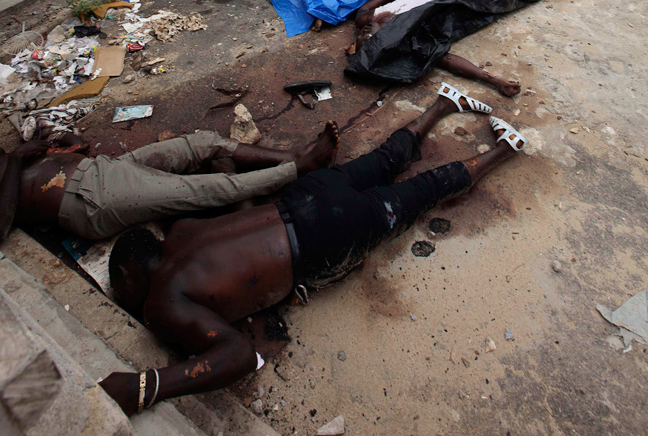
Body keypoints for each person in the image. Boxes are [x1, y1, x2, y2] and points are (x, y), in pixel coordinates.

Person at [101, 91, 529, 416]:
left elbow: (238, 356)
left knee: (422, 192)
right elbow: (239, 218)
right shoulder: (182, 233)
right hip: (307, 194)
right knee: (383, 160)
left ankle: (505, 149)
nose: (119, 294)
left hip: (325, 234)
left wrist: (146, 387)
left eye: (117, 285)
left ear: (129, 274)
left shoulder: (161, 302)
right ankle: (442, 104)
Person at [0, 127, 338, 244]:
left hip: (102, 169)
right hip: (90, 200)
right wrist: (16, 160)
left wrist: (66, 144)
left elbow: (75, 148)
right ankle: (298, 169)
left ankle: (289, 157)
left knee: (203, 143)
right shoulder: (10, 161)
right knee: (203, 188)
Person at [352, 0, 571, 96]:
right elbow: (445, 59)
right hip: (450, 0)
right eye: (371, 37)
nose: (366, 32)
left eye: (363, 35)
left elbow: (364, 9)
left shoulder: (367, 19)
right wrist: (493, 80)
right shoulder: (407, 38)